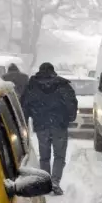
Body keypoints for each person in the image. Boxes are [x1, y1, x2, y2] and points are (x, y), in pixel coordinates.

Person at [20, 62, 77, 195]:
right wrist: (69, 118)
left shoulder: (32, 86)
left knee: (44, 156)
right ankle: (55, 181)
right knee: (59, 156)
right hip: (59, 126)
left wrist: (25, 120)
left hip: (41, 126)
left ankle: (46, 182)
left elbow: (25, 105)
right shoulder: (63, 86)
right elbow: (71, 104)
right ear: (53, 71)